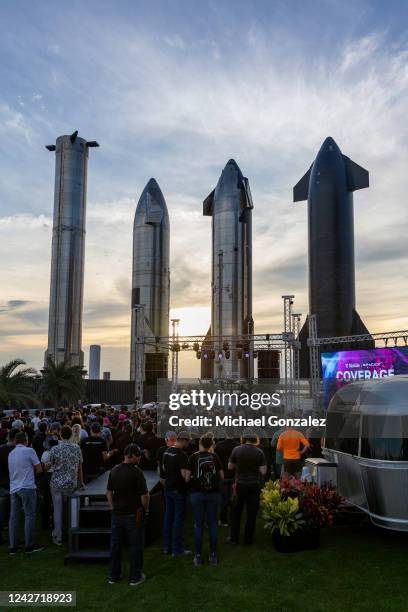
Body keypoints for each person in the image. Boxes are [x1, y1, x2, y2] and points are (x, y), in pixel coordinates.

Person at [106, 444, 149, 586]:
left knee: (115, 546)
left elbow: (109, 492)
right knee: (136, 546)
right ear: (133, 456)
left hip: (117, 514)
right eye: (139, 456)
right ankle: (135, 577)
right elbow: (144, 496)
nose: (140, 458)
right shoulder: (137, 472)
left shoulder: (114, 470)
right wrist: (146, 509)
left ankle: (114, 575)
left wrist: (112, 507)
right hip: (133, 514)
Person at [186, 435, 224, 566]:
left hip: (197, 494)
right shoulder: (214, 457)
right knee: (212, 524)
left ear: (200, 443)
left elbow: (186, 478)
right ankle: (213, 555)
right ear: (211, 445)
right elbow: (222, 475)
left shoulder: (193, 457)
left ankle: (197, 556)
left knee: (198, 525)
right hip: (213, 493)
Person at [8, 431, 44, 554]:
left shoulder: (11, 453)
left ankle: (13, 546)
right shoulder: (29, 451)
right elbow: (39, 469)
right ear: (26, 440)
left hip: (14, 487)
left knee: (14, 517)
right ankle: (29, 545)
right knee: (29, 515)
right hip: (27, 486)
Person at [228, 433, 267, 546]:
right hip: (254, 485)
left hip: (240, 484)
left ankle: (234, 538)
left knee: (236, 512)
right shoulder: (259, 452)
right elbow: (263, 471)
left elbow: (230, 466)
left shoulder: (236, 449)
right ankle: (248, 540)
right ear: (255, 439)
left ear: (243, 439)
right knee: (251, 514)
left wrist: (239, 464)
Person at [49, 425, 84, 545]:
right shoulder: (77, 448)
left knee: (58, 510)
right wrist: (81, 482)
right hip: (71, 483)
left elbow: (51, 465)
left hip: (57, 483)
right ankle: (71, 533)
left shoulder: (55, 449)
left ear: (60, 435)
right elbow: (80, 467)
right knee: (70, 510)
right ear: (71, 435)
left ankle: (58, 536)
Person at [162, 431, 191, 557]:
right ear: (184, 441)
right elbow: (185, 476)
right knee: (178, 519)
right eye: (188, 442)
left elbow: (163, 469)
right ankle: (177, 549)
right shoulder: (182, 454)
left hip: (168, 487)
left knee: (168, 517)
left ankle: (167, 547)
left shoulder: (166, 451)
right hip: (178, 490)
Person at [214, 434, 238, 527]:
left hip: (222, 474)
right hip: (234, 475)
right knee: (233, 498)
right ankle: (232, 519)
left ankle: (224, 519)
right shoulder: (237, 445)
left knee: (224, 498)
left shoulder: (219, 445)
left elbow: (215, 459)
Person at [0, 428, 17, 544]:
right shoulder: (16, 451)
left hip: (3, 483)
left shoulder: (1, 449)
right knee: (13, 512)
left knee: (3, 511)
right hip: (11, 482)